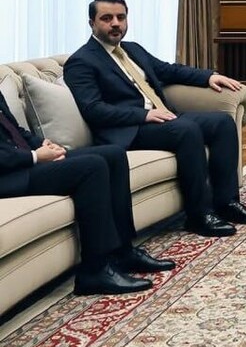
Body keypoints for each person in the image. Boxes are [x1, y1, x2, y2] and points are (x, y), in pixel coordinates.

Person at [63, 0, 246, 238]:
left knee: (222, 122)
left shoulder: (131, 50)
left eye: (121, 17)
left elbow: (168, 70)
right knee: (186, 130)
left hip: (163, 118)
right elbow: (94, 109)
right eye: (107, 18)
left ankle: (227, 203)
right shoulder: (82, 61)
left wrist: (208, 76)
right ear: (92, 23)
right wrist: (143, 115)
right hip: (130, 130)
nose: (115, 23)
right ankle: (199, 215)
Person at [0, 92, 173, 295]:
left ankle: (123, 252)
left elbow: (16, 130)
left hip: (24, 163)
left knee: (114, 154)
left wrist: (43, 144)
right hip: (9, 177)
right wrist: (35, 156)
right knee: (92, 167)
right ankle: (94, 270)